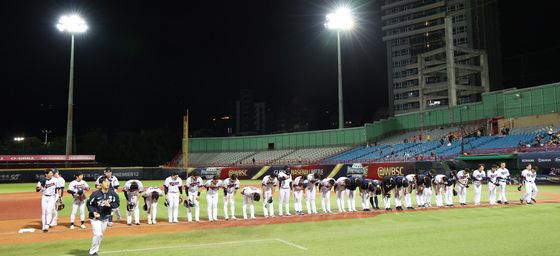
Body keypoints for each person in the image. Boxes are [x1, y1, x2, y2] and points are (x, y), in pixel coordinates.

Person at [87, 177, 120, 256]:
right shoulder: (95, 194)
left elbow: (117, 203)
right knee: (98, 234)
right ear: (101, 184)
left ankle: (93, 249)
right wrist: (93, 211)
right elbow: (89, 204)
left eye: (108, 182)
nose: (107, 183)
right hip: (95, 218)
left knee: (100, 235)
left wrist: (110, 205)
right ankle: (92, 253)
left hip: (105, 218)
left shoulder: (113, 194)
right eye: (105, 182)